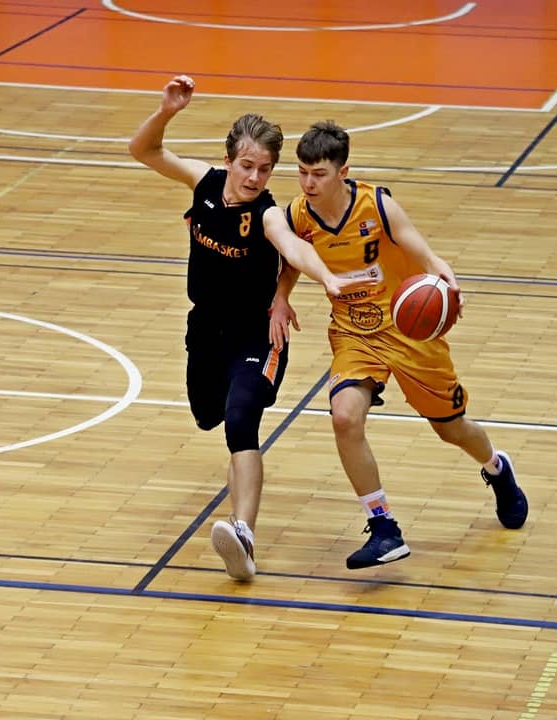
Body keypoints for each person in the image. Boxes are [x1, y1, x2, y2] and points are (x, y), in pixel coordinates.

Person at [129, 77, 366, 582]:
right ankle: (240, 519)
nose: (255, 177)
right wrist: (167, 111)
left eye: (265, 169)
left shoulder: (268, 214)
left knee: (241, 421)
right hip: (205, 331)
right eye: (247, 166)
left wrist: (326, 277)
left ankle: (244, 536)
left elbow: (294, 247)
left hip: (257, 336)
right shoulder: (203, 182)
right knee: (208, 416)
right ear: (229, 160)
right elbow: (143, 150)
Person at [273, 120, 528, 570]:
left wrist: (442, 275)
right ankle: (384, 527)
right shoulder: (298, 214)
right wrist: (280, 297)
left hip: (409, 331)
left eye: (319, 174)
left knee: (452, 429)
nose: (308, 183)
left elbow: (422, 250)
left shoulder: (377, 205)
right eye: (302, 172)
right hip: (354, 333)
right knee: (344, 417)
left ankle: (496, 468)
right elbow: (294, 259)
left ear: (343, 172)